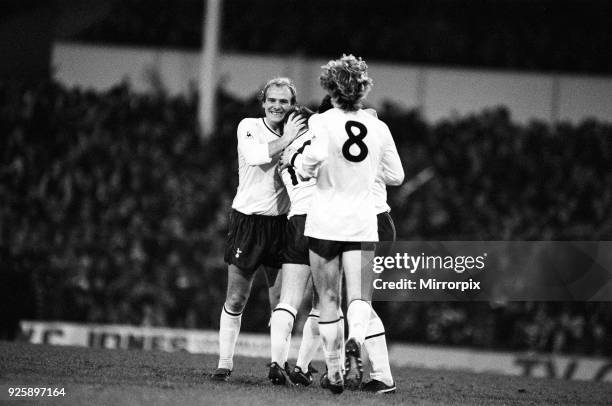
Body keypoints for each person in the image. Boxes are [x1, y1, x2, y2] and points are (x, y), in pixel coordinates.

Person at [281, 55, 404, 394]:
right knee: (361, 300)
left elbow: (312, 160)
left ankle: (336, 369)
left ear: (331, 90)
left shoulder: (323, 123)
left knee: (328, 300)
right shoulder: (378, 127)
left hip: (328, 221)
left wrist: (309, 166)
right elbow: (397, 175)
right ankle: (366, 355)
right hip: (369, 219)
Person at [211, 77, 306, 381]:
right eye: (273, 100)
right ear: (263, 102)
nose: (278, 106)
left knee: (282, 303)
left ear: (293, 105)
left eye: (285, 101)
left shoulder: (301, 132)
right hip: (248, 222)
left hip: (282, 224)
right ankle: (224, 364)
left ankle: (278, 367)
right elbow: (256, 157)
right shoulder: (248, 126)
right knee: (237, 298)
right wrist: (289, 137)